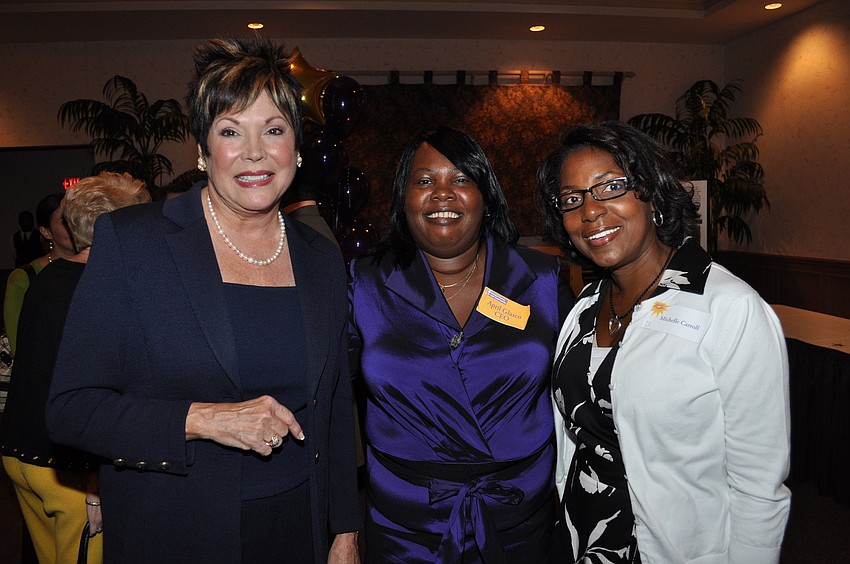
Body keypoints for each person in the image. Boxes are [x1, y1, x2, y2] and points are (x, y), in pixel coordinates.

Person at [46, 37, 360, 563]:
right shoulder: (135, 242)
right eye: (231, 131)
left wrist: (345, 533)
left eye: (275, 130)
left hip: (297, 531)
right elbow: (70, 411)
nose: (255, 151)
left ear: (298, 150)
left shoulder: (319, 258)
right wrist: (203, 419)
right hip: (175, 531)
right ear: (202, 148)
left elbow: (332, 408)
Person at [535, 121, 790, 563]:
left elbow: (758, 485)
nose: (590, 211)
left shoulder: (729, 309)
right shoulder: (586, 306)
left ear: (651, 194)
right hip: (580, 539)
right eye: (572, 199)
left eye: (611, 187)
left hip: (675, 549)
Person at [348, 126, 573, 563]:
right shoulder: (365, 282)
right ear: (403, 197)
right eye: (425, 181)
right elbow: (329, 398)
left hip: (521, 518)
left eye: (461, 179)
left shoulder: (544, 279)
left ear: (485, 196)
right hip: (404, 525)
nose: (443, 194)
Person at [1, 172, 151, 564]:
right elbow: (95, 391)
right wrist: (95, 480)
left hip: (20, 454)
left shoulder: (48, 275)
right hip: (67, 470)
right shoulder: (102, 289)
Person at [3, 192, 76, 355]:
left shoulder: (95, 269)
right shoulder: (24, 278)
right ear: (46, 232)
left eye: (76, 217)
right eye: (64, 221)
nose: (73, 226)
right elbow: (19, 345)